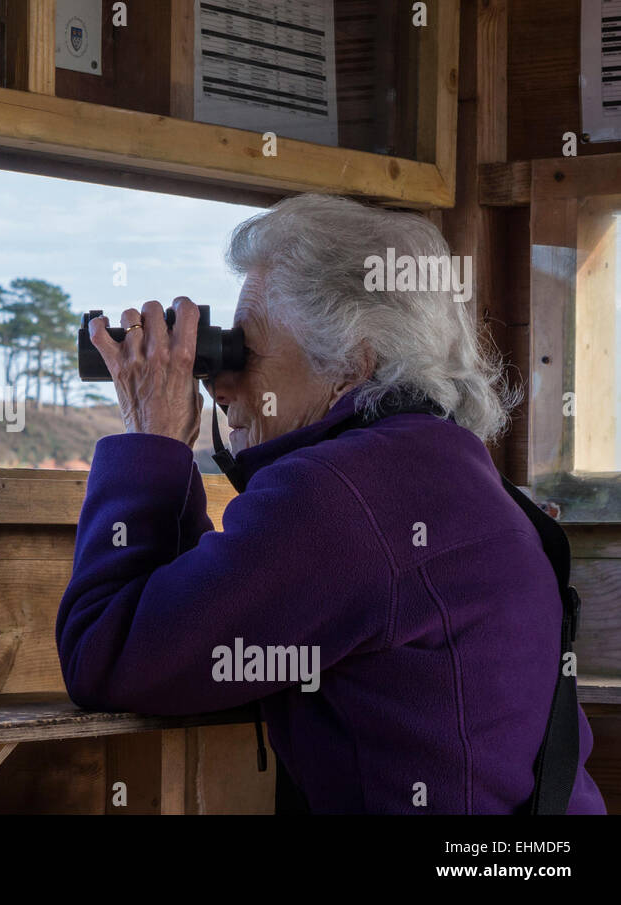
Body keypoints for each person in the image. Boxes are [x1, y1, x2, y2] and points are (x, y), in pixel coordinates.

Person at [56, 193, 606, 814]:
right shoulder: (448, 469)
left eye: (243, 352)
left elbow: (105, 653)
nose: (220, 383)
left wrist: (151, 441)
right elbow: (206, 629)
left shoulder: (345, 495)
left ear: (350, 361)